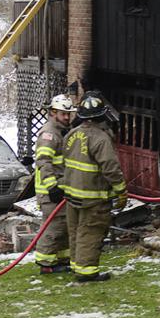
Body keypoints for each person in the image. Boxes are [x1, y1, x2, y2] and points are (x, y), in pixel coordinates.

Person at [60, 92, 127, 282]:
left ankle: (76, 265)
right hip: (93, 197)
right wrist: (121, 191)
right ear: (101, 116)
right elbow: (111, 168)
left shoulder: (72, 134)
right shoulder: (100, 138)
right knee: (90, 232)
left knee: (76, 232)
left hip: (71, 194)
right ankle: (87, 272)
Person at [32, 94, 76, 274]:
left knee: (65, 225)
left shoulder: (63, 131)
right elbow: (43, 161)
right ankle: (46, 263)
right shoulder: (49, 134)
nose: (67, 117)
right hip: (50, 191)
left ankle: (61, 259)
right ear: (52, 113)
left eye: (68, 114)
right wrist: (52, 187)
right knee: (53, 226)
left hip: (61, 189)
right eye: (62, 114)